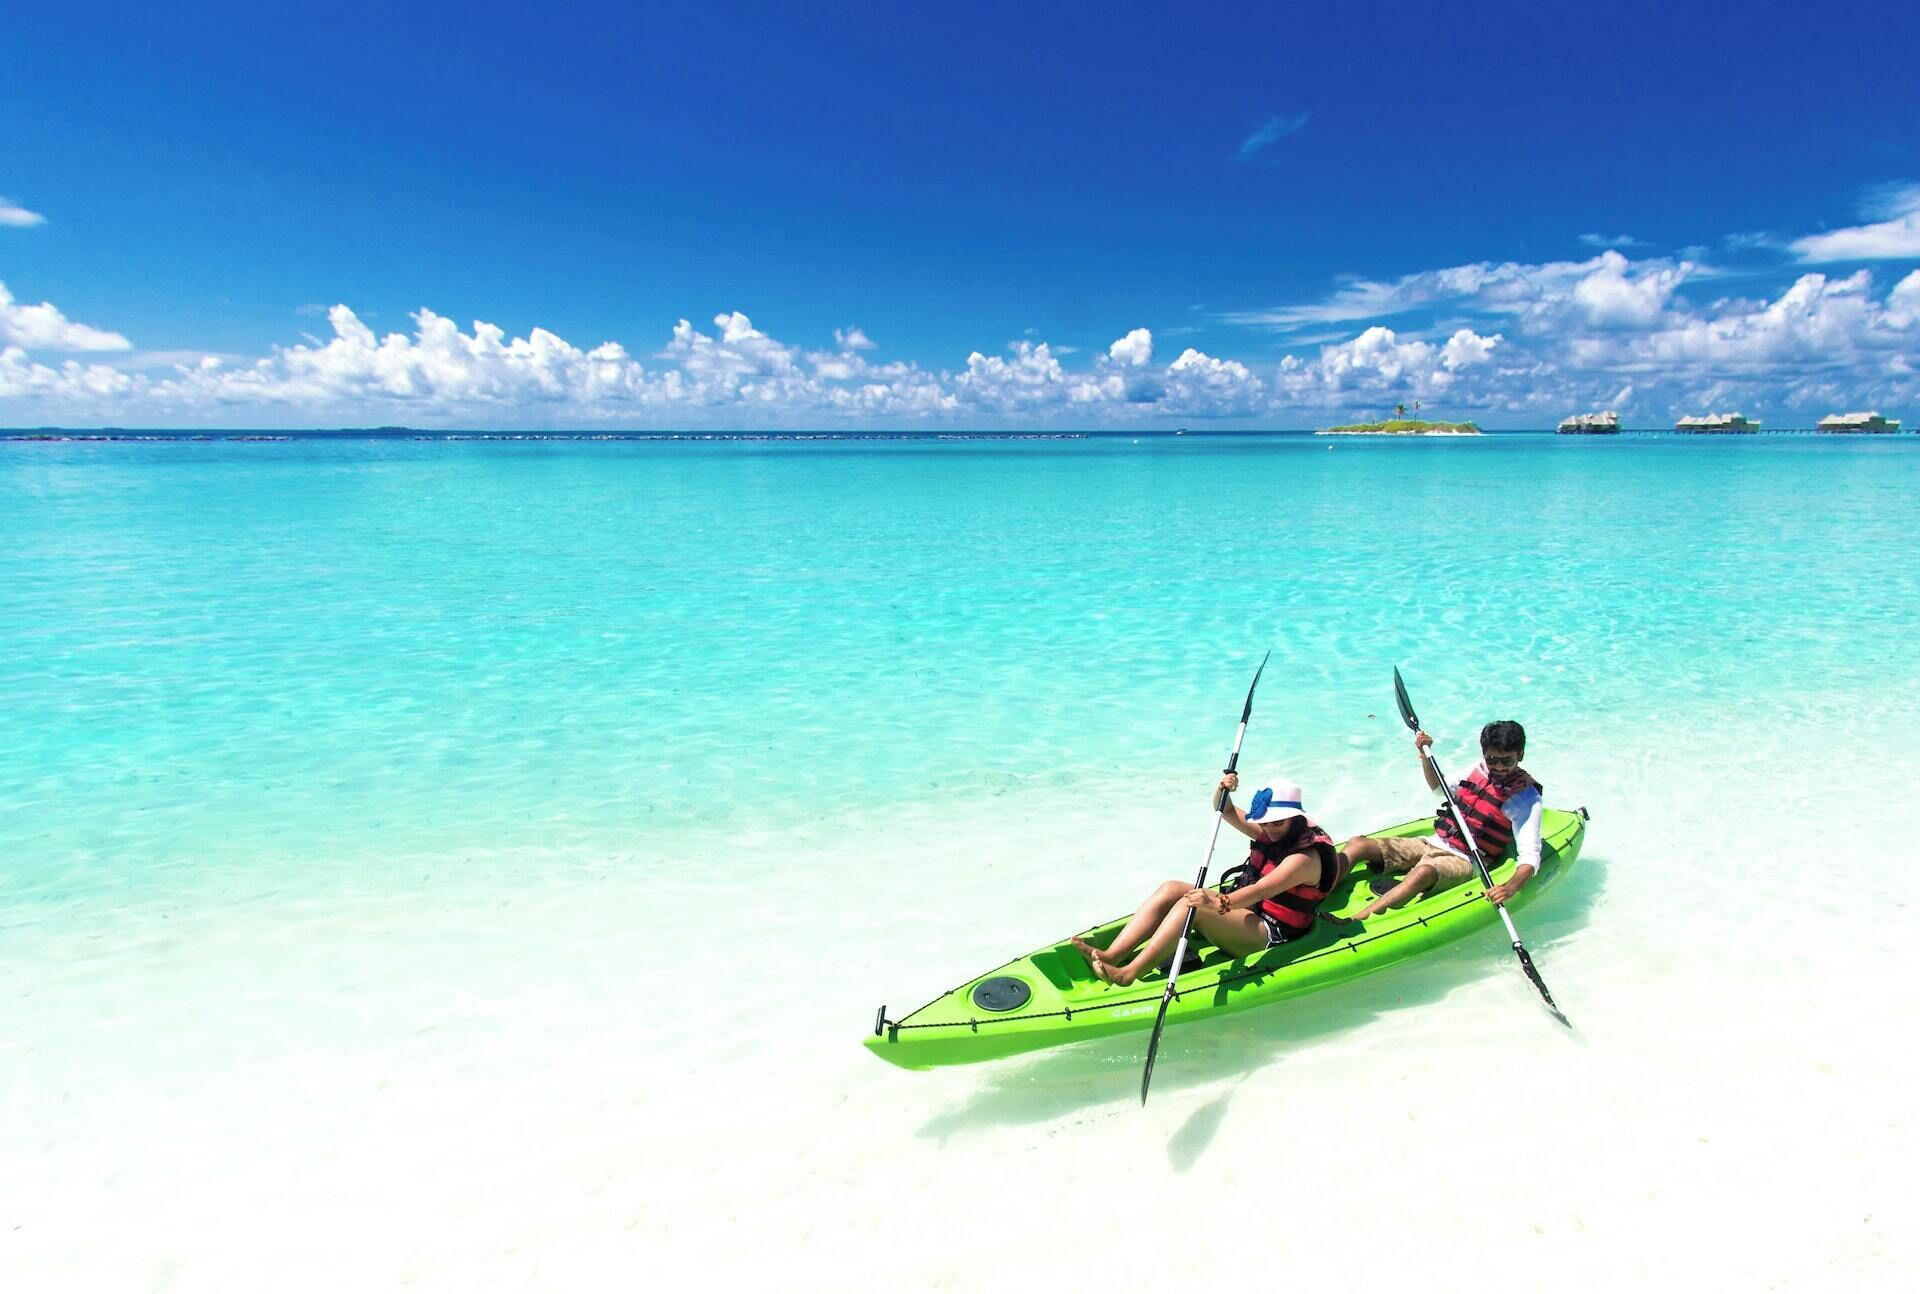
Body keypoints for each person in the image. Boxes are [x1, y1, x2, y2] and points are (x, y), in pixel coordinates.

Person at [1070, 772, 1348, 987]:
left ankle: (1128, 973)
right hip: (1250, 912)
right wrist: (1222, 789)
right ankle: (1112, 955)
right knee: (1171, 889)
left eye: (1277, 822)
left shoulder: (1303, 859)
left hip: (1271, 932)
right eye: (1265, 822)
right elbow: (1225, 811)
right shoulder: (1274, 832)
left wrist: (1217, 902)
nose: (1269, 828)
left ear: (1295, 819)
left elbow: (1261, 889)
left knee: (1193, 906)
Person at [1347, 720, 1542, 919]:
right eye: (1492, 759)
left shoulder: (1526, 798)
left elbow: (1530, 855)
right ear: (1484, 753)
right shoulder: (1478, 769)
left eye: (1507, 761)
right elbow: (1439, 788)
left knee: (1422, 873)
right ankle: (1325, 889)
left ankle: (1356, 921)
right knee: (1358, 845)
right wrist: (1425, 756)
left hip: (1467, 860)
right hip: (1432, 843)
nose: (1498, 767)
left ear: (1520, 755)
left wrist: (1510, 887)